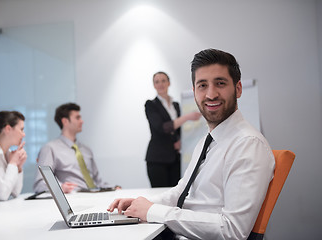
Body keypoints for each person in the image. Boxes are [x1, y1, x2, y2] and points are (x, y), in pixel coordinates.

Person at [108, 49, 275, 239]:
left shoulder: (248, 145)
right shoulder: (208, 141)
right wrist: (142, 203)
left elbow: (233, 231)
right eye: (202, 85)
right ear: (194, 91)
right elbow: (182, 191)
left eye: (220, 83)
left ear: (238, 89)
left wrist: (153, 211)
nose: (211, 94)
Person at [33, 102, 119, 193]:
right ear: (65, 121)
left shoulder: (86, 150)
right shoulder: (50, 149)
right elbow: (40, 183)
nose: (82, 121)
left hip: (97, 195)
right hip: (75, 198)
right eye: (77, 118)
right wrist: (60, 188)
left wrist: (114, 188)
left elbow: (98, 181)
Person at [145, 72, 201, 187]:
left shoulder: (175, 105)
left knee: (175, 194)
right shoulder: (151, 105)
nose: (160, 84)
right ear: (154, 85)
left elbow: (178, 130)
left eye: (163, 80)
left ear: (169, 83)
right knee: (160, 194)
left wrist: (179, 140)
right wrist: (187, 117)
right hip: (157, 159)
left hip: (174, 158)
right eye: (157, 81)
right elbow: (162, 128)